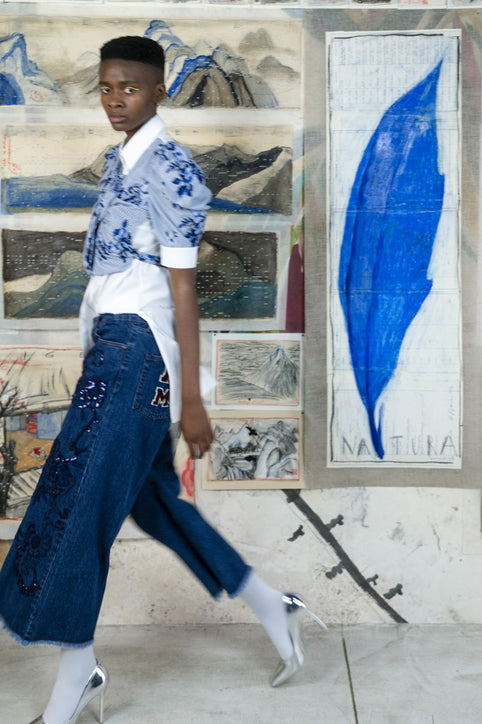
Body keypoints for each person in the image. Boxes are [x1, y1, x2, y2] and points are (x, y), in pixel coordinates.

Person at [0, 36, 325, 724]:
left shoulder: (172, 170)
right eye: (107, 87)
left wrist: (192, 400)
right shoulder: (122, 159)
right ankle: (274, 606)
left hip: (137, 353)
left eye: (131, 87)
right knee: (151, 503)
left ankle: (75, 678)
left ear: (160, 89)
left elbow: (183, 290)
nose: (116, 100)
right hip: (115, 348)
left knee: (77, 504)